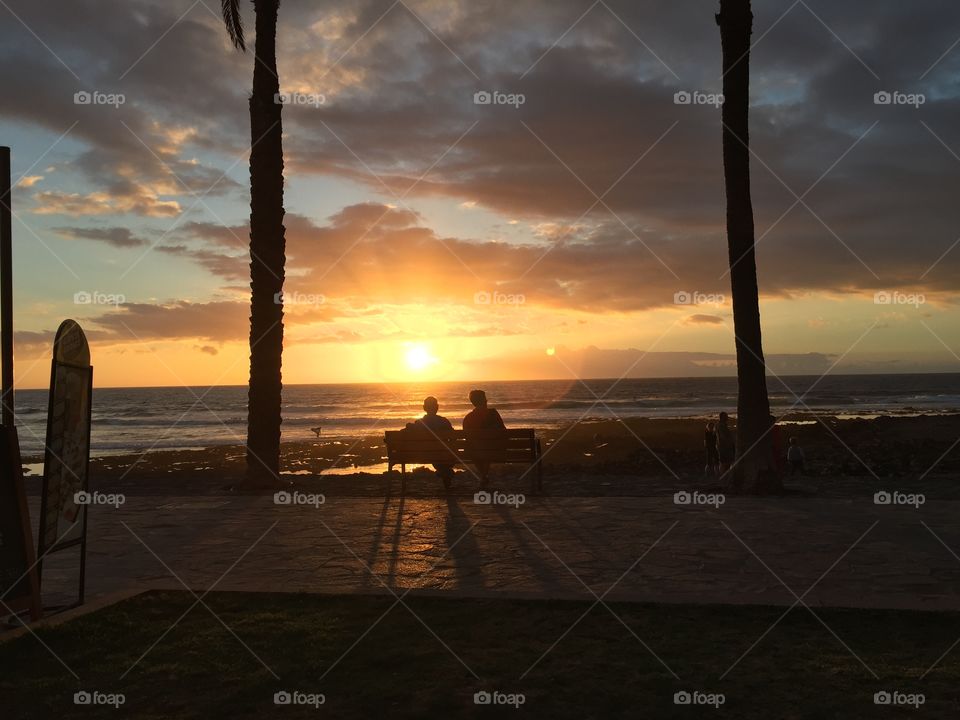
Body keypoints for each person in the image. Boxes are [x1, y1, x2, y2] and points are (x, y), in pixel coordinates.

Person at [462, 389, 506, 486]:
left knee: (476, 449)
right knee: (487, 449)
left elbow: (467, 438)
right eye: (485, 399)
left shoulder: (468, 418)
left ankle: (483, 475)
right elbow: (504, 432)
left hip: (475, 451)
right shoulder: (493, 414)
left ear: (473, 402)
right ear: (484, 400)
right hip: (495, 450)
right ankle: (483, 475)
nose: (487, 401)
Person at [411, 396, 455, 488]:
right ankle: (445, 472)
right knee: (442, 453)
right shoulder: (444, 422)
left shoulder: (419, 423)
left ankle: (443, 471)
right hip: (443, 454)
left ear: (424, 408)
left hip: (424, 454)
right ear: (437, 407)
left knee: (436, 453)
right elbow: (453, 439)